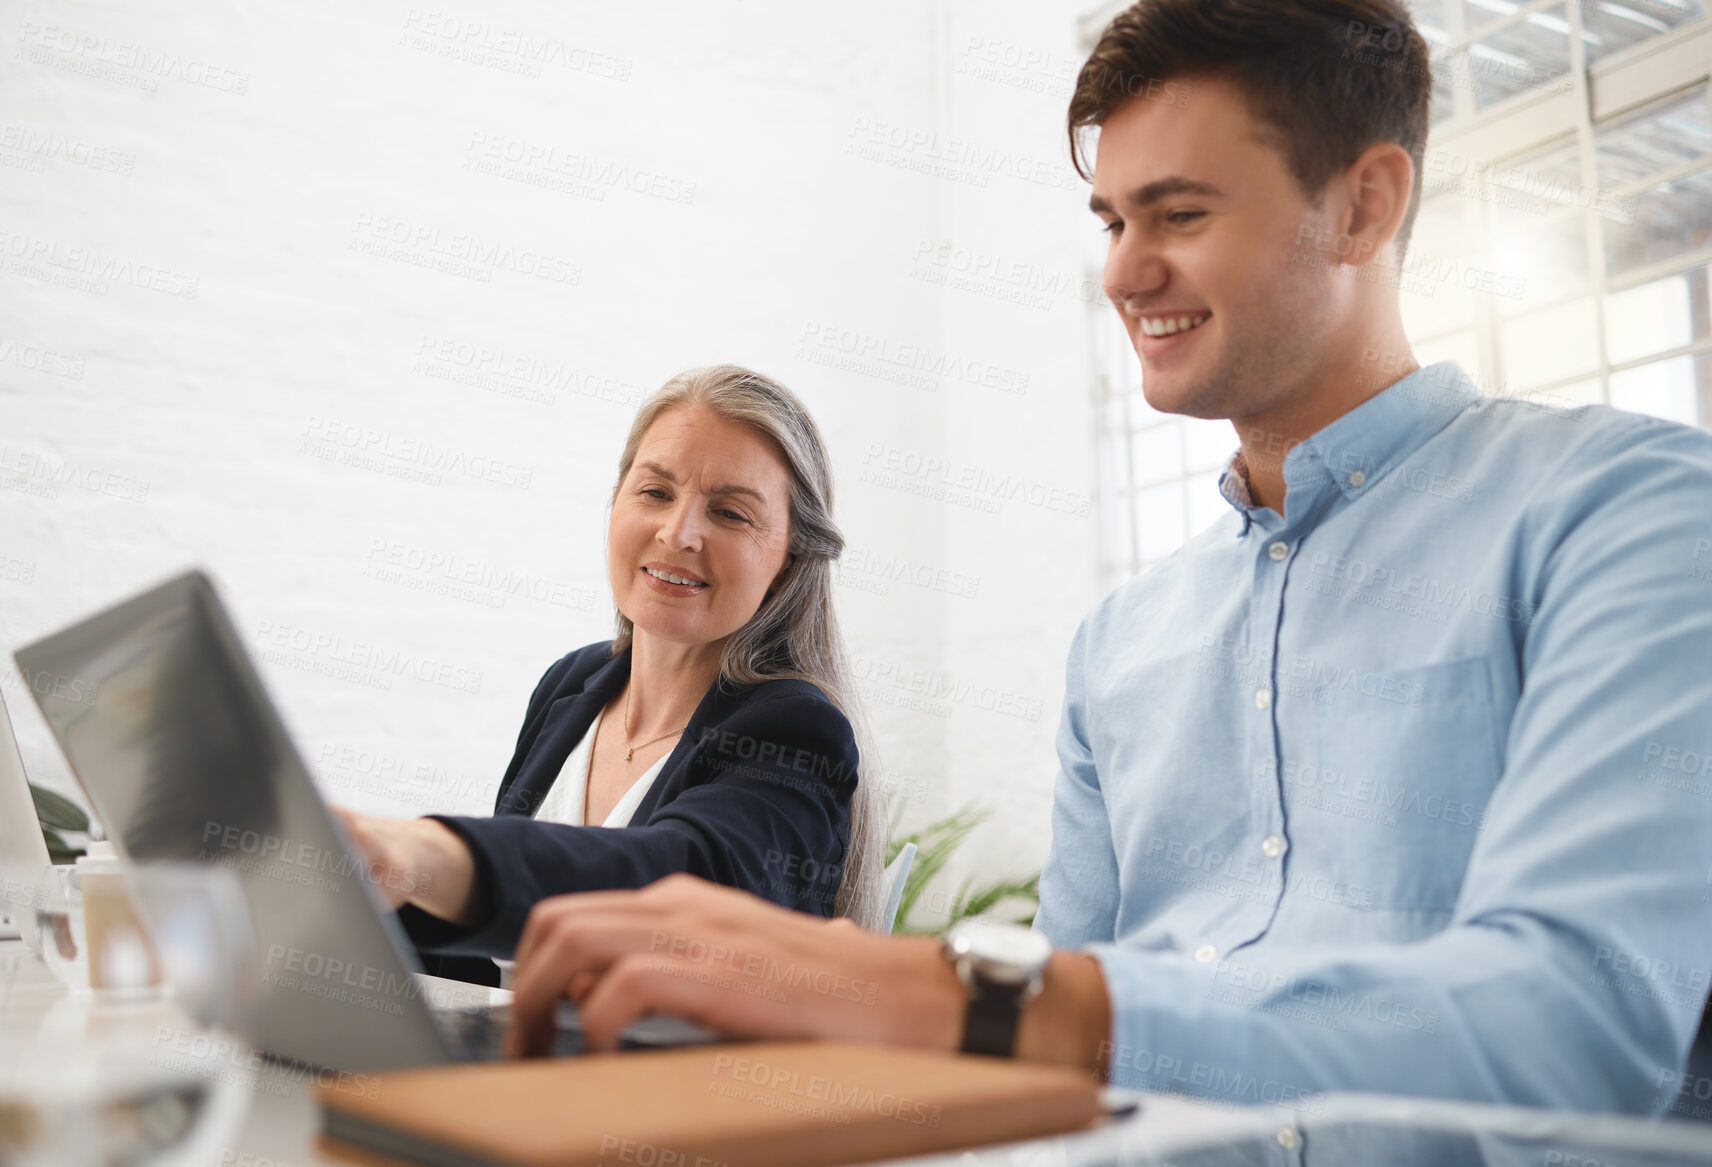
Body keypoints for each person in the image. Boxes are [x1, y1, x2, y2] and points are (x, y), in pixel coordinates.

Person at [498, 0, 1712, 1117]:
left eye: (1179, 214)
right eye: (1112, 221)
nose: (1123, 274)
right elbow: (1057, 1088)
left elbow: (1578, 1021)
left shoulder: (1621, 513)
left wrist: (961, 999)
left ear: (1363, 205)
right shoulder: (1125, 647)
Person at [336, 365, 888, 981]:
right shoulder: (572, 686)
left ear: (788, 563)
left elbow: (676, 889)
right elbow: (494, 948)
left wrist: (433, 855)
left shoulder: (796, 729)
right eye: (654, 492)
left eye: (730, 513)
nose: (678, 533)